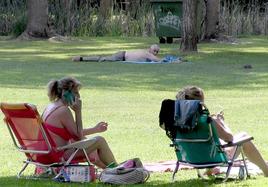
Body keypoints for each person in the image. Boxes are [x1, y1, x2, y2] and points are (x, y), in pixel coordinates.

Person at [176, 86, 268, 177]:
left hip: (190, 158)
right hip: (212, 158)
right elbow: (229, 138)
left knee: (215, 140)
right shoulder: (207, 120)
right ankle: (266, 170)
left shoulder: (176, 121)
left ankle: (209, 171)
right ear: (200, 102)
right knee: (245, 139)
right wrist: (221, 122)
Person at [42, 76, 117, 169]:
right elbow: (79, 137)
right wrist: (78, 111)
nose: (78, 96)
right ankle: (117, 170)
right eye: (76, 92)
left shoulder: (51, 106)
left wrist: (95, 129)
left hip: (47, 153)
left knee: (89, 141)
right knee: (99, 140)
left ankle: (107, 169)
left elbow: (70, 132)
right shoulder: (63, 110)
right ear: (65, 93)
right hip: (58, 156)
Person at [72, 44, 161, 62]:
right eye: (154, 50)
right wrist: (174, 61)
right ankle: (81, 58)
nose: (156, 53)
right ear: (150, 49)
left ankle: (81, 58)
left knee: (103, 58)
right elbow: (159, 61)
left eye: (157, 51)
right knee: (102, 59)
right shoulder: (148, 54)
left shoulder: (146, 53)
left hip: (122, 55)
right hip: (121, 56)